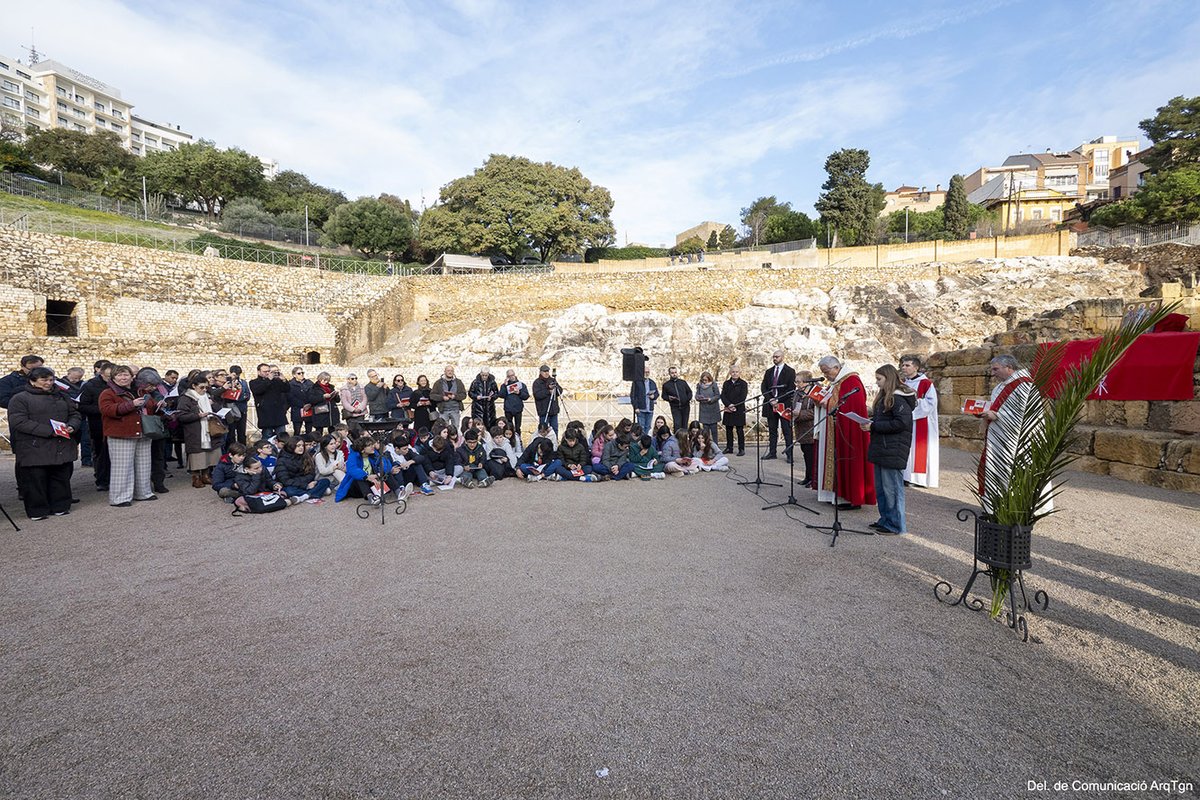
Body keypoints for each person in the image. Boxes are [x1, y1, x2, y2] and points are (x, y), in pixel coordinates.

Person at [979, 354, 1053, 515]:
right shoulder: (1001, 386)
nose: (993, 373)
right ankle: (996, 505)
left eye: (996, 369)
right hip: (999, 437)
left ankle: (1020, 508)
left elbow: (1029, 414)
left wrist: (997, 416)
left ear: (1009, 367)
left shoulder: (1025, 385)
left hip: (1019, 439)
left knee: (1017, 468)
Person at [6, 366, 81, 520]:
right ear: (33, 381)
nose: (49, 383)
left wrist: (72, 425)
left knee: (60, 477)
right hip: (35, 444)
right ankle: (37, 510)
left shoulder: (62, 396)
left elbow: (74, 413)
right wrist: (49, 431)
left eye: (51, 379)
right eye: (44, 380)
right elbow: (18, 421)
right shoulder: (20, 398)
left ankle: (60, 505)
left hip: (61, 442)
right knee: (36, 480)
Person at [813, 355, 876, 510]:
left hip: (848, 431)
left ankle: (849, 498)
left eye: (827, 372)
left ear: (836, 367)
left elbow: (850, 405)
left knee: (847, 460)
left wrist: (826, 402)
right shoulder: (837, 382)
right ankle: (834, 494)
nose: (826, 376)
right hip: (834, 427)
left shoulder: (851, 381)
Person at [863, 364, 917, 535]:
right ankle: (885, 519)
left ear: (889, 378)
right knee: (882, 489)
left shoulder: (898, 398)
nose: (877, 383)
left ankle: (895, 525)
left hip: (893, 449)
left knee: (892, 489)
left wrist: (873, 426)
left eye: (879, 379)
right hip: (883, 448)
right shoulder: (887, 397)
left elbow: (902, 423)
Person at [99, 365, 159, 508]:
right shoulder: (108, 393)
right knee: (122, 467)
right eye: (119, 375)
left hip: (143, 432)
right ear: (113, 378)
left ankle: (143, 492)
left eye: (126, 375)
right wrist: (131, 404)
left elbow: (150, 406)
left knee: (144, 465)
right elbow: (107, 410)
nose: (123, 378)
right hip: (121, 433)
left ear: (132, 377)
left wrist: (158, 406)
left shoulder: (140, 390)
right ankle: (119, 497)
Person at [899, 354, 940, 489]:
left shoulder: (925, 383)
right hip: (906, 421)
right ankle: (906, 475)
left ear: (916, 367)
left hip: (921, 421)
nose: (903, 367)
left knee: (919, 449)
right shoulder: (903, 383)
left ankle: (920, 479)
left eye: (907, 365)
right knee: (908, 448)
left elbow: (931, 402)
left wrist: (912, 406)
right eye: (903, 365)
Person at [176, 372, 223, 487]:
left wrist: (213, 405)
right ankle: (196, 477)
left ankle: (206, 475)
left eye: (207, 387)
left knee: (210, 453)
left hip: (210, 429)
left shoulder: (208, 396)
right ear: (194, 386)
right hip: (195, 430)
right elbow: (181, 416)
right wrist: (198, 416)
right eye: (201, 387)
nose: (204, 390)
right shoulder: (186, 398)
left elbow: (218, 408)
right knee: (197, 454)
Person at [336, 435, 409, 505]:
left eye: (372, 444)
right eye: (369, 445)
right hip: (356, 488)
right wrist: (367, 477)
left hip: (372, 483)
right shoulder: (353, 456)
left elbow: (386, 464)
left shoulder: (374, 454)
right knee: (360, 477)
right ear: (362, 450)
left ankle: (399, 493)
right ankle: (371, 498)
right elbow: (352, 469)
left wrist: (380, 474)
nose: (372, 446)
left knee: (387, 473)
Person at [78, 360, 114, 492]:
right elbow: (83, 406)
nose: (111, 379)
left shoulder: (120, 385)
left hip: (117, 424)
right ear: (101, 374)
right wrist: (105, 409)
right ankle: (102, 480)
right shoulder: (90, 385)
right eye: (108, 377)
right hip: (99, 425)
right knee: (101, 454)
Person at [760, 350, 796, 462]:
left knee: (787, 430)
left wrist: (778, 399)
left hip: (784, 404)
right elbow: (764, 387)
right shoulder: (769, 371)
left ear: (783, 357)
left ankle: (789, 454)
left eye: (777, 356)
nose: (775, 358)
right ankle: (772, 452)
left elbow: (791, 389)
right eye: (773, 357)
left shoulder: (790, 371)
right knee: (772, 430)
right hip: (770, 404)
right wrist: (770, 399)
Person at [275, 436, 332, 501]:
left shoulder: (305, 456)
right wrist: (305, 485)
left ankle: (305, 496)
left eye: (302, 445)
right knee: (290, 491)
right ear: (291, 446)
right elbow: (285, 480)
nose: (301, 448)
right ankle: (316, 492)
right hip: (293, 485)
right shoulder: (282, 460)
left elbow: (311, 473)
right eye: (298, 446)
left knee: (325, 481)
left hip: (307, 483)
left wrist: (309, 483)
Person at [248, 363, 290, 440]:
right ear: (259, 372)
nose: (267, 373)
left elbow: (286, 389)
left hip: (278, 414)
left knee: (282, 437)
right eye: (265, 371)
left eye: (268, 371)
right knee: (267, 437)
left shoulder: (276, 381)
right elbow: (258, 390)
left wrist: (284, 380)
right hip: (266, 414)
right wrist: (268, 380)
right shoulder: (254, 382)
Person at [793, 371, 817, 488]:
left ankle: (813, 479)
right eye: (796, 381)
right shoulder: (798, 393)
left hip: (811, 429)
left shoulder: (815, 393)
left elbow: (815, 411)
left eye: (798, 382)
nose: (796, 384)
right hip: (800, 429)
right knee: (806, 454)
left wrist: (800, 414)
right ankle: (807, 477)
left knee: (811, 456)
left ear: (807, 382)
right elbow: (794, 406)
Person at [720, 366, 748, 457]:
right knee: (728, 429)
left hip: (739, 409)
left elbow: (743, 396)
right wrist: (729, 405)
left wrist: (734, 405)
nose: (735, 373)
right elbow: (723, 395)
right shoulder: (726, 383)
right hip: (729, 408)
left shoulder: (743, 383)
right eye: (733, 372)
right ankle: (729, 447)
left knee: (739, 429)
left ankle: (741, 448)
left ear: (739, 373)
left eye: (736, 372)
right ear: (730, 373)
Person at [431, 365, 467, 432]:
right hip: (443, 410)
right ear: (444, 372)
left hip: (455, 410)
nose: (450, 372)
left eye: (451, 371)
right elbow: (432, 395)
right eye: (448, 370)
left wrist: (455, 397)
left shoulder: (459, 382)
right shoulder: (438, 383)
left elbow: (464, 395)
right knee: (443, 429)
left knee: (455, 429)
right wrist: (442, 397)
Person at [501, 369, 530, 446]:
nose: (511, 377)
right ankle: (508, 442)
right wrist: (504, 385)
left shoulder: (521, 385)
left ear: (515, 375)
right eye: (509, 376)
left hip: (518, 409)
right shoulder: (504, 385)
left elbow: (526, 396)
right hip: (508, 409)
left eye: (512, 375)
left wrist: (519, 393)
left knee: (518, 427)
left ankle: (518, 442)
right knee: (508, 427)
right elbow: (501, 395)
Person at [662, 366, 693, 433]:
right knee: (677, 424)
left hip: (685, 406)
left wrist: (687, 399)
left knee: (685, 425)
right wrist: (669, 398)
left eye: (675, 372)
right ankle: (677, 440)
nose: (674, 374)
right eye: (672, 373)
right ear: (669, 374)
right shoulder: (666, 385)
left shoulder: (683, 382)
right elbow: (663, 396)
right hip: (675, 407)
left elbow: (689, 392)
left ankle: (684, 440)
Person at [531, 365, 561, 434]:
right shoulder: (537, 382)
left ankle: (554, 443)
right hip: (543, 411)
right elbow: (537, 395)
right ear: (541, 372)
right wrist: (548, 391)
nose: (546, 373)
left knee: (555, 429)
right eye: (544, 371)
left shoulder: (552, 380)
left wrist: (555, 389)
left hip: (553, 410)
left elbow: (560, 391)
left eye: (547, 371)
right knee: (543, 430)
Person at [630, 366, 659, 434]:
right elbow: (633, 395)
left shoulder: (652, 382)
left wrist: (654, 396)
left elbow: (657, 393)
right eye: (645, 372)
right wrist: (636, 407)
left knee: (648, 427)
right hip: (641, 409)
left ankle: (647, 442)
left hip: (650, 409)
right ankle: (641, 442)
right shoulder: (637, 382)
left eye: (648, 372)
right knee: (641, 427)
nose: (647, 373)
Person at [227, 365, 251, 445]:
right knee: (231, 433)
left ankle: (243, 450)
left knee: (241, 433)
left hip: (242, 409)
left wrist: (241, 394)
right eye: (234, 374)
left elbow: (247, 395)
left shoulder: (243, 382)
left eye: (238, 374)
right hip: (231, 410)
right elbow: (229, 396)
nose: (236, 376)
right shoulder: (227, 382)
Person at [287, 367, 314, 437]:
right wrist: (302, 405)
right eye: (299, 373)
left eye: (302, 373)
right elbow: (290, 397)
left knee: (309, 431)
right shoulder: (290, 384)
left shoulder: (309, 383)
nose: (301, 374)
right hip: (297, 409)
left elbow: (313, 393)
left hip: (309, 408)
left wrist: (310, 404)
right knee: (297, 431)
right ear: (294, 375)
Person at [694, 371, 721, 442]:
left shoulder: (713, 385)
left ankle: (715, 446)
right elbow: (696, 395)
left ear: (709, 379)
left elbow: (718, 395)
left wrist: (711, 399)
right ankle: (706, 446)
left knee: (714, 430)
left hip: (713, 410)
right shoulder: (699, 385)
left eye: (706, 380)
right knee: (705, 431)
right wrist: (698, 398)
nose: (704, 381)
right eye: (703, 380)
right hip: (704, 410)